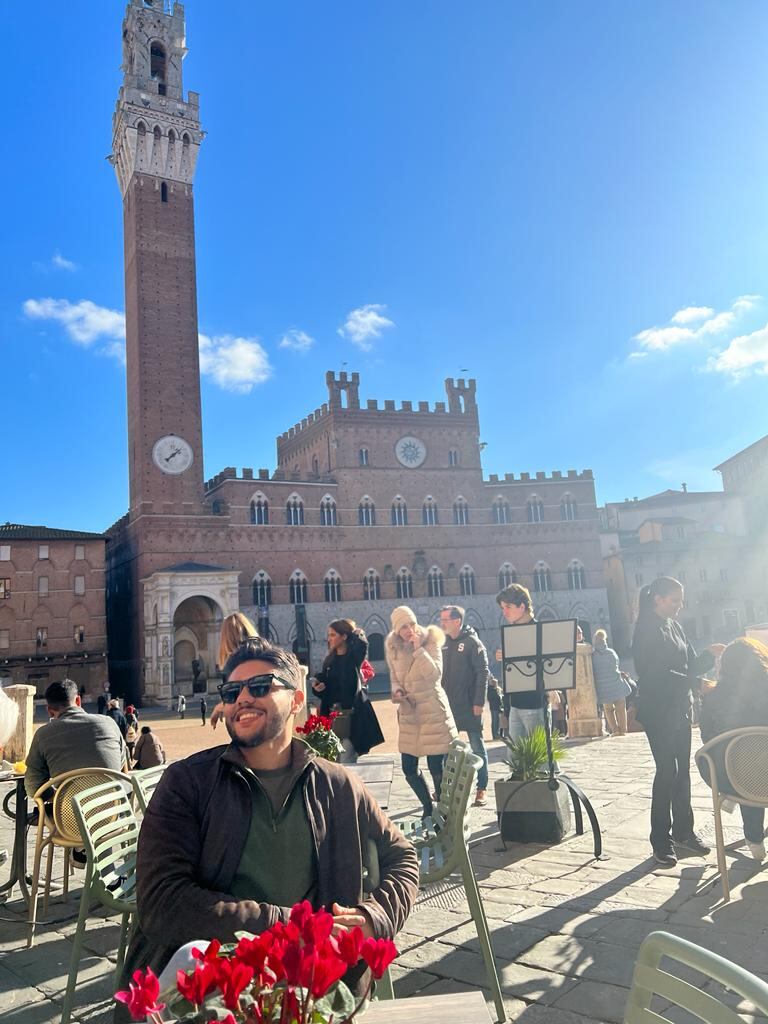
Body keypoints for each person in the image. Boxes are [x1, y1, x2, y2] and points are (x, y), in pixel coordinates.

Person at [117, 638, 418, 1015]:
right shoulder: (187, 783)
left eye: (260, 686)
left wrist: (376, 916)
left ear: (296, 700)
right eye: (231, 691)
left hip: (314, 995)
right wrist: (289, 926)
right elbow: (162, 903)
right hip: (208, 991)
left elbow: (402, 855)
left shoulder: (338, 785)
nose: (242, 697)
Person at [631, 576, 715, 867]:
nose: (680, 606)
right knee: (667, 770)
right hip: (658, 710)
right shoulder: (644, 630)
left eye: (681, 601)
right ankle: (660, 839)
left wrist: (709, 658)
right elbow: (656, 674)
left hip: (681, 708)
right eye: (675, 601)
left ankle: (684, 832)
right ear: (658, 600)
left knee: (682, 773)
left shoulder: (675, 626)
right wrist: (697, 680)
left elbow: (690, 663)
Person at [699, 637, 768, 861]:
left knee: (748, 766)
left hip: (729, 777)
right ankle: (754, 837)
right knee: (758, 763)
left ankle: (753, 837)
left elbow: (706, 737)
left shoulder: (712, 698)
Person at [386, 606, 457, 819]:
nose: (409, 630)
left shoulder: (430, 642)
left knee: (437, 767)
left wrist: (418, 650)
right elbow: (394, 678)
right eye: (403, 627)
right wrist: (397, 691)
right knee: (409, 767)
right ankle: (428, 806)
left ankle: (444, 813)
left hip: (432, 711)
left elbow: (435, 675)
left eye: (411, 624)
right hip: (410, 714)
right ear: (397, 630)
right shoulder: (394, 648)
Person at [25, 679, 127, 806]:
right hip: (114, 812)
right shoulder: (109, 723)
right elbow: (122, 763)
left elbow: (32, 784)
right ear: (78, 700)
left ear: (49, 711)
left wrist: (57, 797)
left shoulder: (43, 734)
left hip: (70, 818)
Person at [311, 619, 384, 763]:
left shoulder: (353, 658)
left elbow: (362, 645)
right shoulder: (330, 660)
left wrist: (358, 633)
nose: (329, 638)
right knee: (334, 761)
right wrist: (318, 686)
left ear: (344, 636)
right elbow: (326, 687)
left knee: (346, 760)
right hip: (332, 717)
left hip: (352, 716)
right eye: (329, 635)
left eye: (333, 635)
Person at [439, 605, 491, 806]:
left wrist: (479, 701)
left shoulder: (472, 643)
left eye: (445, 620)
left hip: (469, 705)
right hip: (448, 706)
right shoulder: (442, 644)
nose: (442, 623)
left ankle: (481, 788)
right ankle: (447, 788)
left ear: (457, 621)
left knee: (477, 747)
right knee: (446, 748)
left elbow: (483, 672)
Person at [494, 584, 557, 738]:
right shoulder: (511, 632)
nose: (505, 612)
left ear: (522, 607)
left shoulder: (540, 631)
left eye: (508, 607)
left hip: (535, 703)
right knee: (516, 758)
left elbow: (551, 666)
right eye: (502, 608)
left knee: (541, 757)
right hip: (515, 704)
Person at [591, 629, 632, 736]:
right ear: (605, 640)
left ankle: (615, 730)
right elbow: (616, 667)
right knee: (621, 708)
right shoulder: (612, 653)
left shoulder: (592, 656)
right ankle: (623, 730)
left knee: (608, 710)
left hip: (603, 688)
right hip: (616, 684)